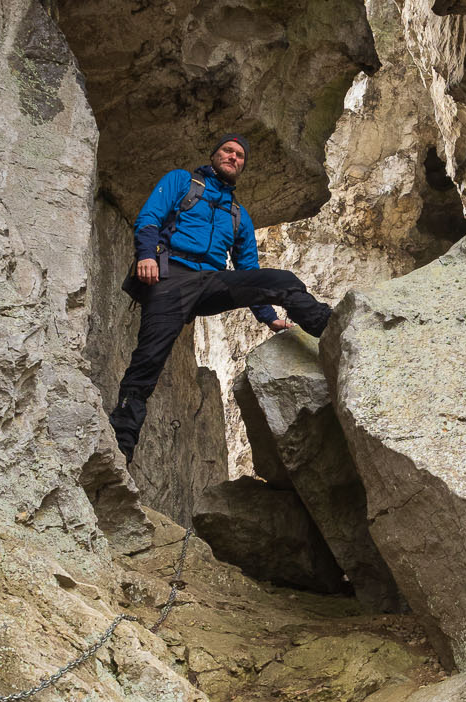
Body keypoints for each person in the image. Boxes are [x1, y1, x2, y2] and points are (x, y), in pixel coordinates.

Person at [108, 133, 332, 464]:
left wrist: (268, 316)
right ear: (214, 155)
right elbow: (149, 218)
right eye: (228, 151)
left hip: (212, 282)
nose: (233, 157)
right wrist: (146, 256)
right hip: (171, 278)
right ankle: (120, 448)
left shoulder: (237, 214)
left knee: (280, 279)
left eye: (240, 155)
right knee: (147, 362)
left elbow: (248, 269)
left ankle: (328, 328)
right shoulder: (182, 181)